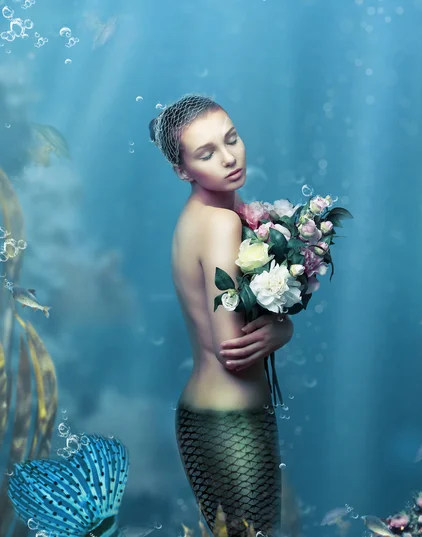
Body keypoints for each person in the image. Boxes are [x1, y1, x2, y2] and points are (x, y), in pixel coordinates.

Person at [149, 94, 294, 537]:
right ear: (182, 170)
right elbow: (233, 350)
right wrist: (282, 327)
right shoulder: (221, 222)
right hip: (229, 423)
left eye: (232, 139)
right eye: (206, 153)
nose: (229, 158)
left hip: (209, 417)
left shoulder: (201, 215)